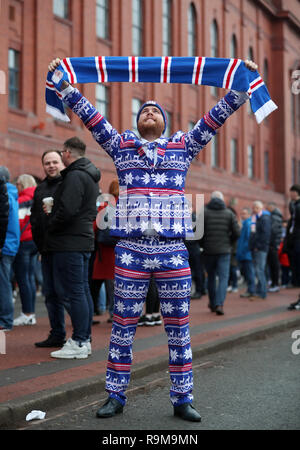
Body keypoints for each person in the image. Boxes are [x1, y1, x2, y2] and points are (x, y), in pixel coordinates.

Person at [48, 56, 257, 422]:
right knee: (122, 324)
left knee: (178, 326)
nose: (148, 113)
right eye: (143, 110)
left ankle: (182, 398)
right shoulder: (119, 147)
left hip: (173, 250)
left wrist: (242, 84)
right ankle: (115, 395)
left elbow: (215, 117)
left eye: (154, 111)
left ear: (164, 122)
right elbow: (91, 118)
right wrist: (64, 84)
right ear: (136, 122)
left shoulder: (184, 147)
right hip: (130, 251)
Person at [44, 137, 101, 359]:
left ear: (67, 152)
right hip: (81, 240)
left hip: (69, 241)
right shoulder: (88, 175)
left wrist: (51, 221)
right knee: (81, 290)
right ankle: (83, 339)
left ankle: (79, 341)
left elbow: (67, 210)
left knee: (72, 291)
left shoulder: (75, 176)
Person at [30, 150, 69, 348]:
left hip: (64, 248)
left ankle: (81, 337)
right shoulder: (40, 188)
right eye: (47, 163)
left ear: (62, 163)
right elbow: (34, 217)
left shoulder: (67, 184)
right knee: (50, 293)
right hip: (46, 249)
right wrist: (39, 244)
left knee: (67, 293)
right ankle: (57, 333)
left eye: (55, 162)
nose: (51, 166)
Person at [201, 191, 240, 315]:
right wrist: (229, 243)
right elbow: (237, 233)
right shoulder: (229, 213)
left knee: (211, 277)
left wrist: (203, 245)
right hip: (224, 251)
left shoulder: (204, 212)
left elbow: (197, 233)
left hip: (208, 251)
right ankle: (219, 304)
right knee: (223, 278)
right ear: (222, 200)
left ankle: (212, 303)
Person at [90, 179, 119, 323]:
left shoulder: (106, 205)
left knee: (102, 282)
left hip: (104, 251)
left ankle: (100, 310)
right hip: (123, 249)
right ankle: (118, 312)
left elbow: (95, 225)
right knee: (120, 283)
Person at [13, 174, 38, 326]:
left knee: (23, 279)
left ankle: (27, 313)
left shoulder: (21, 200)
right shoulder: (39, 196)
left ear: (21, 185)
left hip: (23, 242)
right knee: (29, 278)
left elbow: (16, 223)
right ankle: (31, 313)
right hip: (35, 241)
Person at [0, 167, 19, 331]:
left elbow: (5, 223)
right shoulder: (12, 194)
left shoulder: (6, 195)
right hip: (9, 243)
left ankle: (5, 320)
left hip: (5, 245)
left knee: (3, 283)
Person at [249, 201, 271, 299]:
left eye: (256, 208)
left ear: (260, 208)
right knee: (259, 270)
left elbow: (265, 234)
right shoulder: (257, 219)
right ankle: (259, 291)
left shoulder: (264, 219)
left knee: (260, 270)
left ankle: (262, 292)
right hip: (257, 247)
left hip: (261, 248)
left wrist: (258, 245)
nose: (254, 210)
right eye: (253, 208)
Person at [237, 207, 256, 299]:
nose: (242, 215)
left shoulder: (248, 224)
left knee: (249, 272)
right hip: (243, 253)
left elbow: (248, 239)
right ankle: (250, 289)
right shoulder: (244, 224)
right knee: (247, 272)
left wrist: (244, 250)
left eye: (244, 213)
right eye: (241, 213)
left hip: (246, 253)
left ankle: (251, 290)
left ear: (249, 215)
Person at [266, 201, 283, 292]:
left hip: (273, 245)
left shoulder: (274, 217)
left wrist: (273, 244)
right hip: (273, 244)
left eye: (267, 207)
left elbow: (273, 231)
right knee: (272, 265)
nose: (266, 209)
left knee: (274, 264)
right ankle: (273, 282)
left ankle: (275, 284)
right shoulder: (274, 216)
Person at [285, 185, 300, 287]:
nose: (290, 194)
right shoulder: (292, 205)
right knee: (294, 260)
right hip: (293, 237)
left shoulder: (298, 206)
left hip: (298, 237)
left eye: (292, 192)